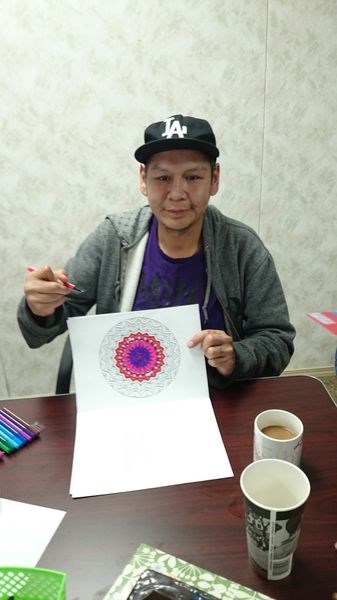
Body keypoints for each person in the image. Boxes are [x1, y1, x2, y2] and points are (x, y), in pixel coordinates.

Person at [17, 114, 296, 389]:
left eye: (193, 177)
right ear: (143, 179)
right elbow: (48, 325)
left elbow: (277, 338)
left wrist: (237, 356)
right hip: (125, 395)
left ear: (214, 178)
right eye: (162, 177)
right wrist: (41, 308)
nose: (177, 193)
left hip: (216, 398)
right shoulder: (114, 238)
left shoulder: (241, 247)